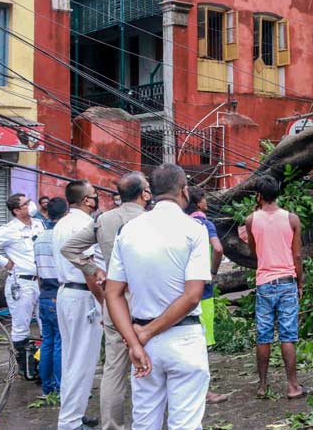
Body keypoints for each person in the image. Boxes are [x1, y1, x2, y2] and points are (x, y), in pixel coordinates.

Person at [105, 164, 212, 430]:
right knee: (185, 425)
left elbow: (112, 293)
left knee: (144, 423)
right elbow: (192, 297)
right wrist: (145, 334)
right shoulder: (194, 230)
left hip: (142, 341)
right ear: (184, 191)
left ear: (152, 192)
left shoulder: (127, 231)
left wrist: (134, 342)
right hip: (182, 339)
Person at [60, 172, 151, 430]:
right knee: (153, 362)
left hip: (115, 300)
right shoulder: (151, 221)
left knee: (114, 369)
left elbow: (69, 249)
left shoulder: (104, 220)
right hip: (149, 301)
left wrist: (93, 270)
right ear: (144, 193)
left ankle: (112, 426)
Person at [245, 176, 308, 400]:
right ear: (278, 194)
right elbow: (297, 255)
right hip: (287, 282)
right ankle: (292, 386)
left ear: (259, 196)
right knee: (287, 335)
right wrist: (299, 282)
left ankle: (262, 386)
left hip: (264, 282)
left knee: (263, 335)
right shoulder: (292, 219)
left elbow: (254, 251)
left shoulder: (251, 220)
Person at [53, 180, 101, 430]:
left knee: (72, 359)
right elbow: (88, 269)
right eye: (95, 195)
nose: (97, 199)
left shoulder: (62, 222)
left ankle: (72, 414)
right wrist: (104, 300)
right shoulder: (84, 225)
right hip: (83, 295)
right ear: (86, 201)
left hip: (66, 293)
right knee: (82, 361)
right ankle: (70, 422)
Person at [0, 193, 45, 374]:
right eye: (26, 203)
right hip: (22, 283)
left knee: (45, 324)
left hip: (42, 283)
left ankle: (41, 366)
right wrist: (4, 262)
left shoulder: (38, 224)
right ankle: (23, 368)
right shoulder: (9, 230)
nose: (31, 204)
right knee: (21, 327)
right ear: (17, 210)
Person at [185, 187, 230, 404]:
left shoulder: (181, 225)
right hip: (203, 290)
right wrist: (212, 271)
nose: (207, 202)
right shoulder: (205, 224)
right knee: (202, 342)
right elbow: (218, 249)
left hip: (182, 289)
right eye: (204, 198)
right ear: (198, 202)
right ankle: (204, 391)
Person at [33, 197, 68, 398]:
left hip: (44, 293)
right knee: (60, 342)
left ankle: (48, 387)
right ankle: (60, 387)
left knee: (47, 341)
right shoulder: (60, 236)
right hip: (57, 292)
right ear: (65, 214)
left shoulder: (39, 238)